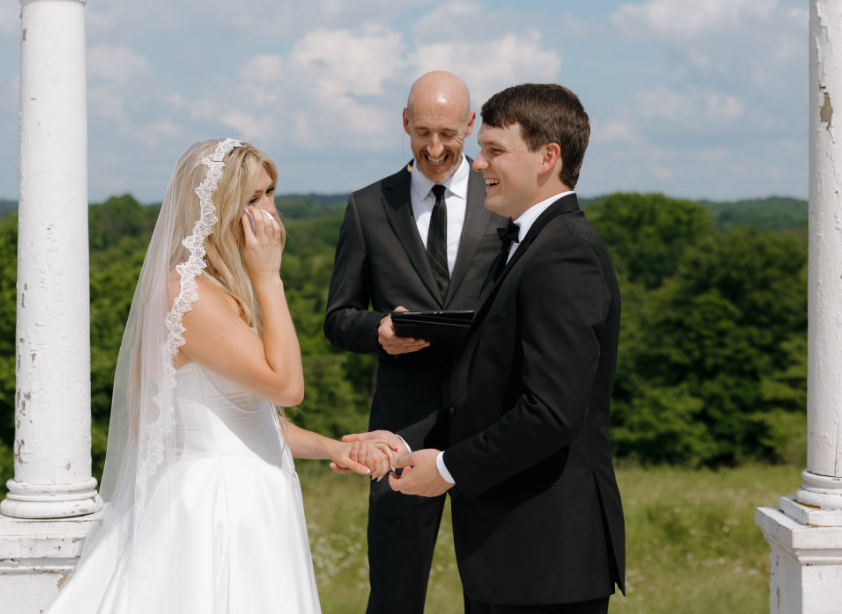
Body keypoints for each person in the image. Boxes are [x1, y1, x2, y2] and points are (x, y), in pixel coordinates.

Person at [44, 138, 391, 614]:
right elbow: (287, 386)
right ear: (214, 208)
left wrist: (334, 448)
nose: (269, 212)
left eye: (269, 192)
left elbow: (250, 418)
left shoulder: (221, 288)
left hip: (258, 497)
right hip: (218, 508)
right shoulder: (186, 296)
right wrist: (270, 279)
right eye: (251, 199)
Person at [347, 84, 627, 613]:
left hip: (545, 556)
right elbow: (493, 386)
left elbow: (550, 413)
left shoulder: (564, 255)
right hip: (516, 556)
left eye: (495, 151)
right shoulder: (529, 243)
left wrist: (448, 467)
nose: (478, 165)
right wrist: (411, 447)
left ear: (548, 158)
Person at [324, 71, 509, 614]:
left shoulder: (504, 200)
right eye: (422, 132)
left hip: (490, 419)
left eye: (449, 134)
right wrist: (376, 330)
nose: (435, 148)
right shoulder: (366, 206)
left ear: (470, 126)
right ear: (405, 123)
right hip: (400, 425)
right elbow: (338, 317)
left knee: (497, 583)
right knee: (395, 589)